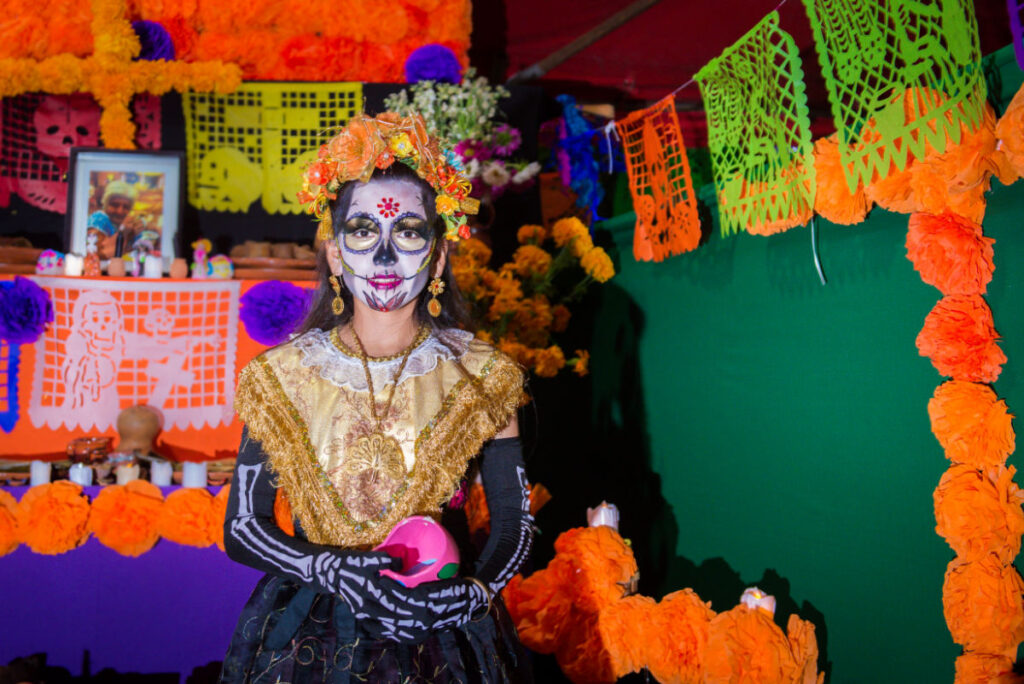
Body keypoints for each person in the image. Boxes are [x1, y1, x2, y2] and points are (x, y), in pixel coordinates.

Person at [221, 113, 534, 683]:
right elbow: (243, 526)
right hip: (308, 629)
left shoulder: (485, 376)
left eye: (409, 232)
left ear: (437, 257)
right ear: (336, 254)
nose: (385, 259)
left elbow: (515, 522)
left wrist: (472, 593)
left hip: (440, 627)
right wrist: (329, 568)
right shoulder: (281, 377)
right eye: (363, 231)